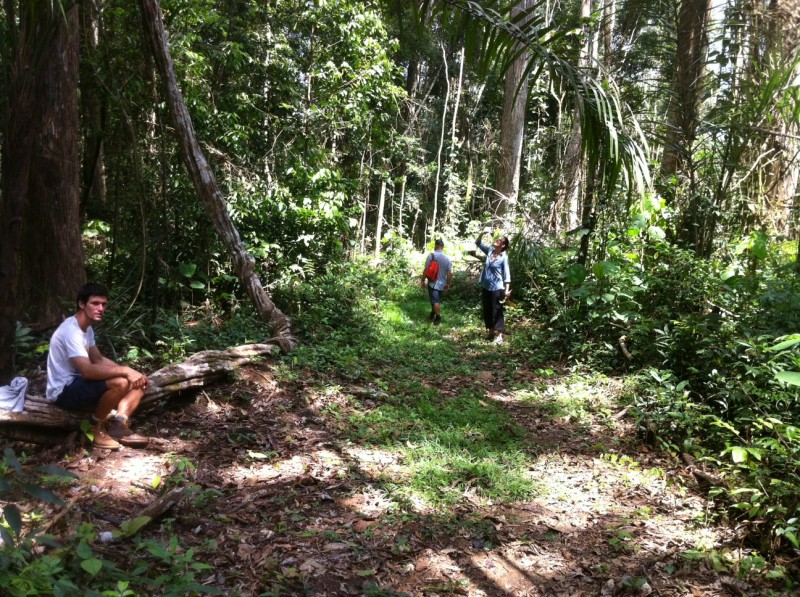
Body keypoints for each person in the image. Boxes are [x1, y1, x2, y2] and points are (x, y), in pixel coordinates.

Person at [46, 283, 149, 449]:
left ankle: (118, 424)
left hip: (77, 383)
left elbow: (98, 359)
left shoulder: (87, 328)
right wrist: (124, 372)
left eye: (104, 304)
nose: (101, 308)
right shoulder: (71, 331)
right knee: (121, 382)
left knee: (138, 382)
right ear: (81, 304)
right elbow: (87, 371)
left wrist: (132, 374)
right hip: (62, 390)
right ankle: (94, 427)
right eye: (95, 303)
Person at [476, 230, 511, 343]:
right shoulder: (490, 251)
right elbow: (478, 243)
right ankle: (491, 332)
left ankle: (499, 335)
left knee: (497, 311)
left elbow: (507, 274)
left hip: (497, 287)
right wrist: (482, 233)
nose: (497, 240)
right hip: (486, 286)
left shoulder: (503, 257)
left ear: (503, 245)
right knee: (487, 309)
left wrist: (506, 290)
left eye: (499, 240)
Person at [420, 238, 452, 325]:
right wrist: (447, 284)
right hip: (442, 284)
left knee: (435, 301)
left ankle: (438, 317)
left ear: (435, 246)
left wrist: (423, 279)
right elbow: (449, 273)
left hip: (433, 283)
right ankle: (432, 313)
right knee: (436, 300)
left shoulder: (431, 256)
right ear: (442, 247)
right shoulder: (448, 258)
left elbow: (426, 269)